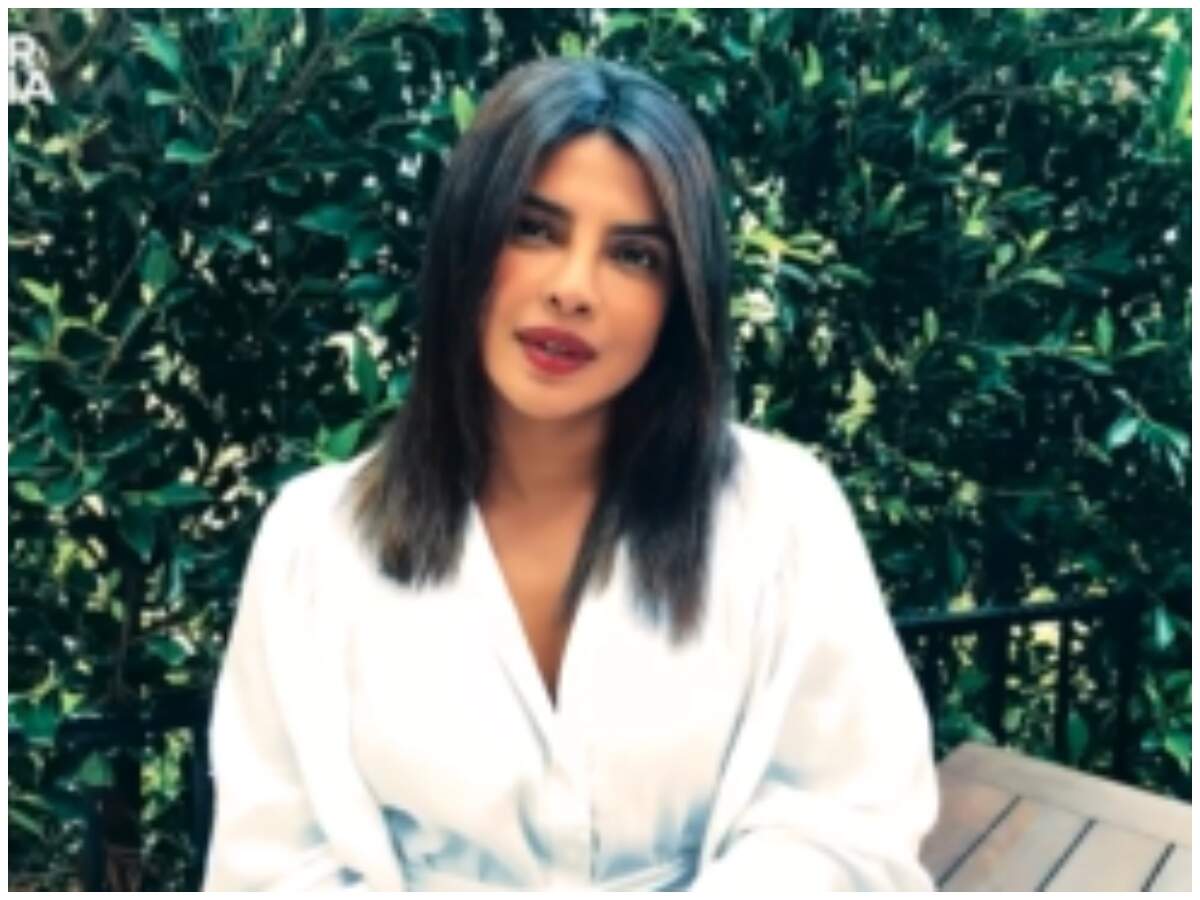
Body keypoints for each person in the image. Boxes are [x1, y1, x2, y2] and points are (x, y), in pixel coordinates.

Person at [201, 56, 938, 892]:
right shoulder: (313, 542)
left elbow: (847, 823)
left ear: (680, 298)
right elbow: (274, 864)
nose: (574, 290)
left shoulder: (782, 514)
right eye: (534, 229)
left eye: (634, 255)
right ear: (467, 243)